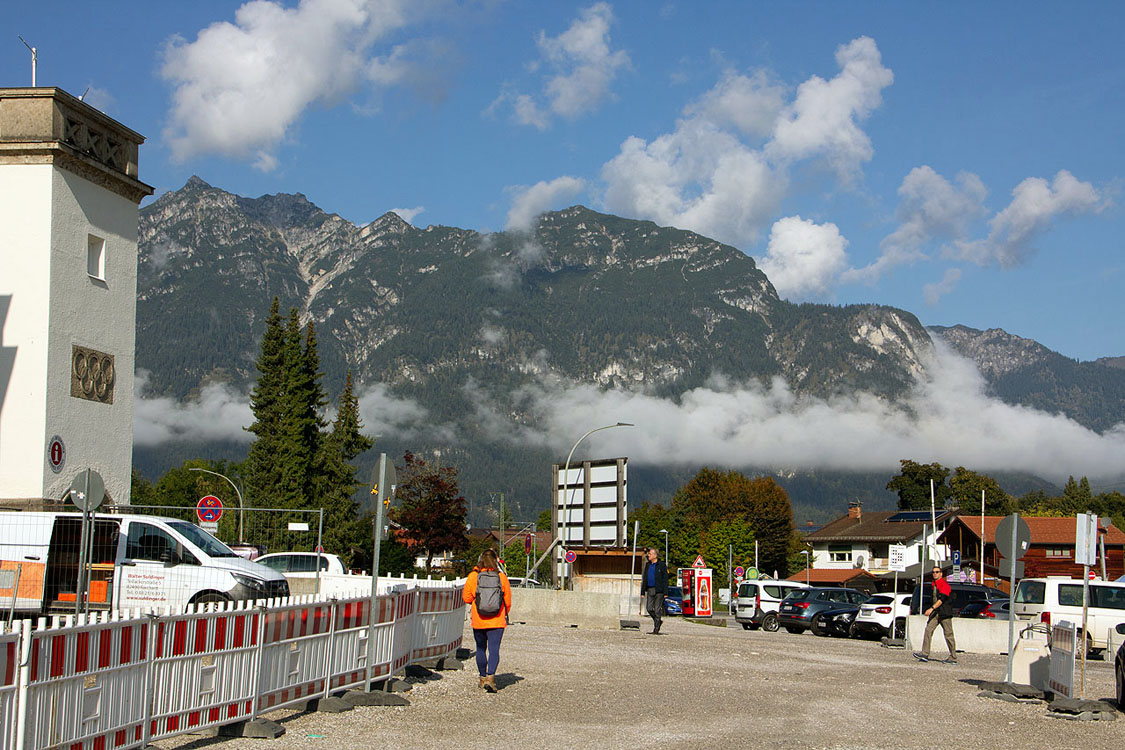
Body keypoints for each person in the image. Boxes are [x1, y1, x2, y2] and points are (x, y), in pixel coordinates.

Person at [462, 549, 512, 692]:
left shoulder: (473, 576)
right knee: (494, 650)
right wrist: (503, 611)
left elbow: (466, 598)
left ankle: (482, 678)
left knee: (480, 649)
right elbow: (507, 600)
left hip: (479, 619)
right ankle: (491, 678)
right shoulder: (501, 577)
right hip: (497, 620)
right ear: (496, 560)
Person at [914, 565, 957, 663]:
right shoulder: (934, 584)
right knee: (928, 630)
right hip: (936, 613)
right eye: (933, 572)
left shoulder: (944, 585)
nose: (935, 574)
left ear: (941, 574)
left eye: (937, 572)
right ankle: (925, 653)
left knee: (948, 634)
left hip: (944, 613)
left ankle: (953, 657)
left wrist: (931, 608)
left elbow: (942, 600)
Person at [640, 547, 667, 634]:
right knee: (649, 608)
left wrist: (665, 592)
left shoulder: (661, 565)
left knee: (657, 609)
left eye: (650, 554)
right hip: (650, 589)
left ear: (655, 555)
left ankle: (656, 628)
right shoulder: (648, 565)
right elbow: (645, 578)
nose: (648, 555)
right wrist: (643, 591)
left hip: (659, 590)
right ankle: (658, 620)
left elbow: (665, 579)